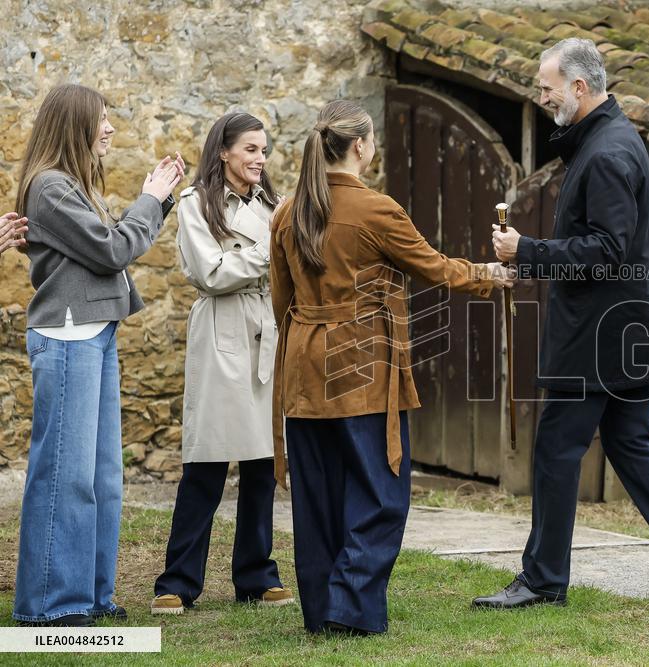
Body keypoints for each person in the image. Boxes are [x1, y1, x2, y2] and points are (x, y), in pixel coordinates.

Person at [480, 38, 649, 610]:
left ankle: (544, 580)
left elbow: (608, 250)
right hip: (623, 334)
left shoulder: (605, 153)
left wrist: (527, 250)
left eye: (548, 88)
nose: (543, 97)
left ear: (580, 87)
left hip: (601, 340)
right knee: (629, 443)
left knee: (555, 448)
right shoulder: (606, 140)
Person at [270, 99, 512, 635]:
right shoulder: (374, 209)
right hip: (360, 366)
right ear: (361, 146)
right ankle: (348, 609)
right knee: (381, 493)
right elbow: (435, 269)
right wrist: (490, 275)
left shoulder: (287, 211)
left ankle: (323, 611)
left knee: (319, 495)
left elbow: (280, 301)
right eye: (373, 140)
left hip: (304, 366)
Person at [14, 83, 183, 627]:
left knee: (103, 478)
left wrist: (151, 202)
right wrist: (152, 198)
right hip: (68, 337)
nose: (109, 128)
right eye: (101, 120)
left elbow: (108, 247)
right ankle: (51, 604)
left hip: (95, 332)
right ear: (74, 127)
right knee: (65, 474)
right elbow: (114, 250)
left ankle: (90, 593)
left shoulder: (72, 185)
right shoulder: (51, 188)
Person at [151, 112, 293, 615]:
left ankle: (255, 575)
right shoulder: (194, 204)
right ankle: (178, 581)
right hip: (220, 331)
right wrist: (271, 253)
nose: (260, 159)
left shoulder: (275, 206)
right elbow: (211, 271)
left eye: (264, 150)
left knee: (261, 460)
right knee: (207, 459)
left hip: (266, 328)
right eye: (250, 149)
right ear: (224, 152)